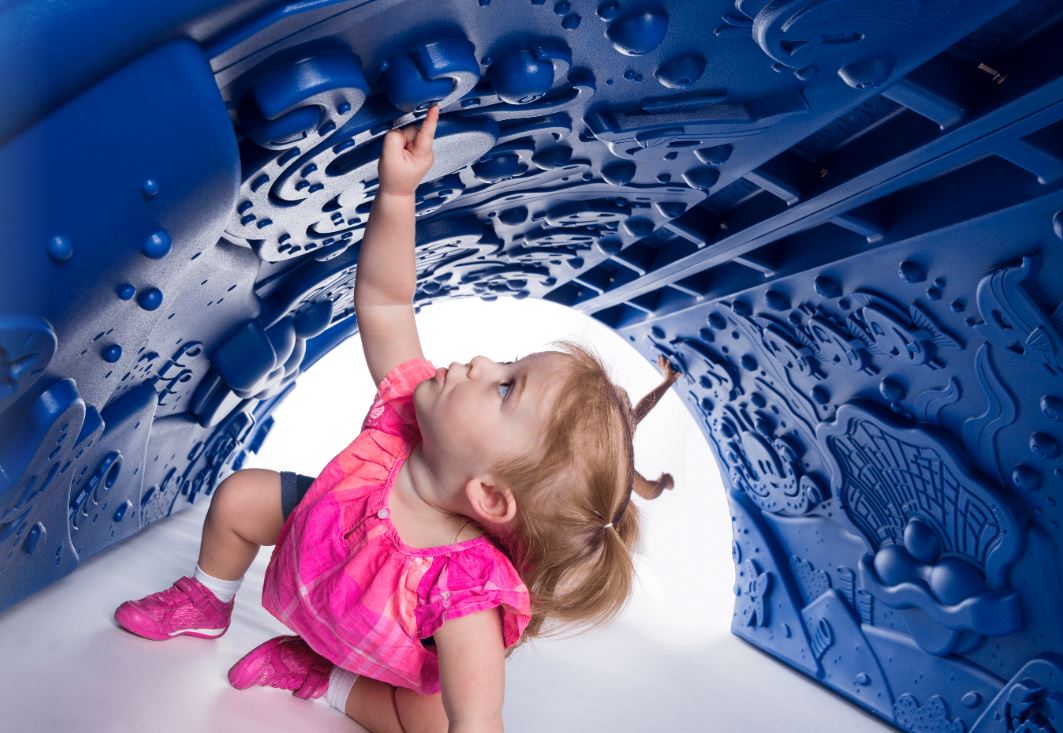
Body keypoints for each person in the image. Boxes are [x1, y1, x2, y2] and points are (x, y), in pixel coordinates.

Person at [113, 104, 679, 732]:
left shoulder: (465, 593)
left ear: (490, 495)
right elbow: (386, 302)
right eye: (509, 363)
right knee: (241, 497)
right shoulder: (410, 413)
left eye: (505, 387)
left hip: (380, 652)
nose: (484, 360)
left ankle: (331, 683)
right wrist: (398, 192)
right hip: (317, 555)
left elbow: (478, 719)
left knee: (428, 721)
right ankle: (207, 600)